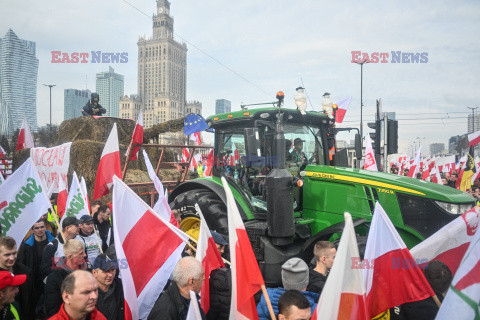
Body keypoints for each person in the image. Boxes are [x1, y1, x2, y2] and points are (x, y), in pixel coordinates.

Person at [17, 219, 55, 317]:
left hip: (50, 279)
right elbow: (20, 263)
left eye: (42, 227)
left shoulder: (54, 242)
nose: (40, 230)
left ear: (45, 227)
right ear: (32, 230)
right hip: (34, 281)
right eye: (36, 228)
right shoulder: (26, 245)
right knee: (36, 308)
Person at [44, 239, 88, 317]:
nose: (85, 255)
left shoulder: (88, 272)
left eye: (84, 252)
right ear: (70, 257)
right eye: (81, 253)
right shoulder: (55, 277)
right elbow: (52, 308)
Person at [0, 237, 34, 319]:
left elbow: (30, 301)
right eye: (7, 254)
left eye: (14, 253)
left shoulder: (25, 272)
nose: (11, 258)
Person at [92, 254, 124, 320]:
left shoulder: (121, 287)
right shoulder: (86, 292)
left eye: (113, 270)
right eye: (106, 271)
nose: (110, 275)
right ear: (94, 273)